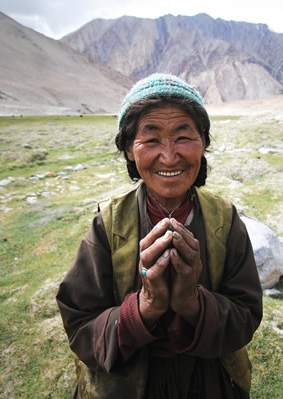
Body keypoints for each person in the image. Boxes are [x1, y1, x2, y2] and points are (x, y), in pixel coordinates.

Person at [56, 73, 263, 398]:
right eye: (151, 140)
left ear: (203, 143)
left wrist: (192, 303)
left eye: (183, 137)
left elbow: (246, 315)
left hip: (209, 383)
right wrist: (144, 307)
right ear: (129, 150)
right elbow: (81, 327)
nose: (169, 157)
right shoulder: (107, 226)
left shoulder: (224, 219)